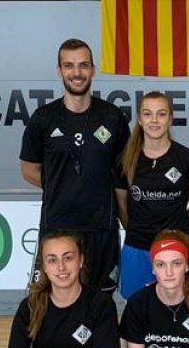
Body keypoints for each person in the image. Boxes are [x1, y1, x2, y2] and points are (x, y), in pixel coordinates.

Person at [20, 38, 130, 294]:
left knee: (101, 302)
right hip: (57, 228)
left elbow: (123, 173)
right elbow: (28, 170)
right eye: (69, 66)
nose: (76, 73)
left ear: (93, 69)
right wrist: (67, 185)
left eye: (83, 65)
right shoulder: (43, 119)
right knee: (49, 301)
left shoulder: (112, 117)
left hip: (101, 228)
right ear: (59, 71)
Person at [114, 92, 189, 299]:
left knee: (178, 306)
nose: (154, 120)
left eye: (161, 114)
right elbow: (122, 207)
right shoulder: (125, 161)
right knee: (137, 308)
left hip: (176, 248)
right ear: (139, 118)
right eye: (148, 114)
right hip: (137, 247)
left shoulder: (187, 159)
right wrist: (139, 231)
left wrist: (177, 234)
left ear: (170, 118)